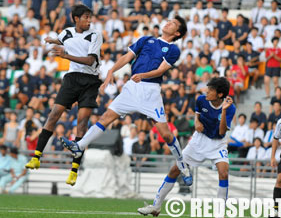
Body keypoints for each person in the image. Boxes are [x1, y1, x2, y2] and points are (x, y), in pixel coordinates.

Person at [61, 16, 192, 185]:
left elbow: (160, 70)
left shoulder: (173, 50)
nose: (168, 23)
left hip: (150, 91)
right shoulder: (147, 40)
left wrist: (143, 75)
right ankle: (79, 146)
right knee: (106, 117)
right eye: (169, 21)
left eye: (173, 23)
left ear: (177, 32)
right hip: (132, 87)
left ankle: (183, 166)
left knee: (166, 135)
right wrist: (111, 71)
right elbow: (126, 57)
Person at [25, 5, 103, 187]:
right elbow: (63, 40)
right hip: (71, 80)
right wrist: (53, 40)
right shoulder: (66, 32)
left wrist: (66, 56)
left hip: (90, 81)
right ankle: (37, 157)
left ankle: (74, 170)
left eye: (90, 17)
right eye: (85, 17)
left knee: (82, 122)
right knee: (54, 114)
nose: (89, 20)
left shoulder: (95, 35)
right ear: (76, 18)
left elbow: (91, 60)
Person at [137, 78, 235, 218]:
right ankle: (156, 205)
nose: (207, 91)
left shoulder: (230, 108)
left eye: (211, 90)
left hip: (217, 143)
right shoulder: (201, 100)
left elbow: (221, 132)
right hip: (199, 140)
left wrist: (224, 111)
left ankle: (219, 215)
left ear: (220, 94)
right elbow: (197, 114)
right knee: (175, 169)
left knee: (224, 173)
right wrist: (196, 122)